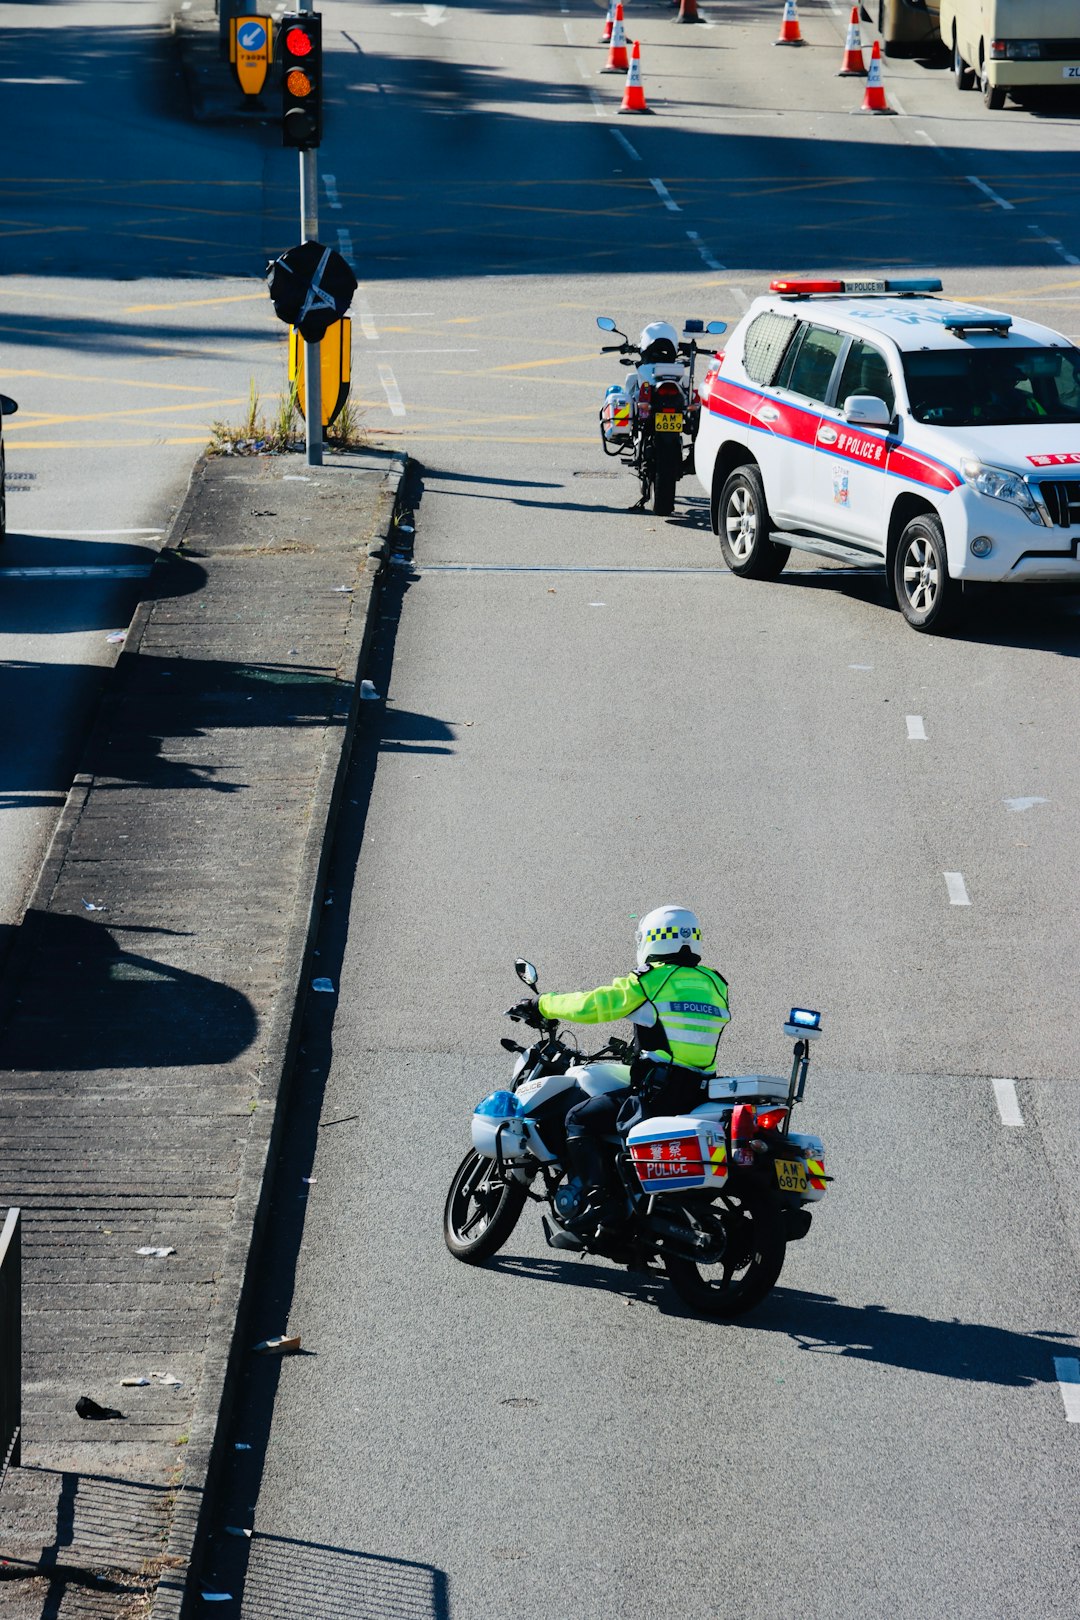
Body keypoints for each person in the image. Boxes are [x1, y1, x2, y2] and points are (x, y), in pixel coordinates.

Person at [512, 905, 730, 1230]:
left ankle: (600, 1201)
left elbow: (593, 1005)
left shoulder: (649, 980)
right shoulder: (716, 984)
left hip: (660, 1093)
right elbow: (678, 1031)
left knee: (579, 1118)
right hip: (699, 1092)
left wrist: (542, 1003)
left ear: (652, 939)